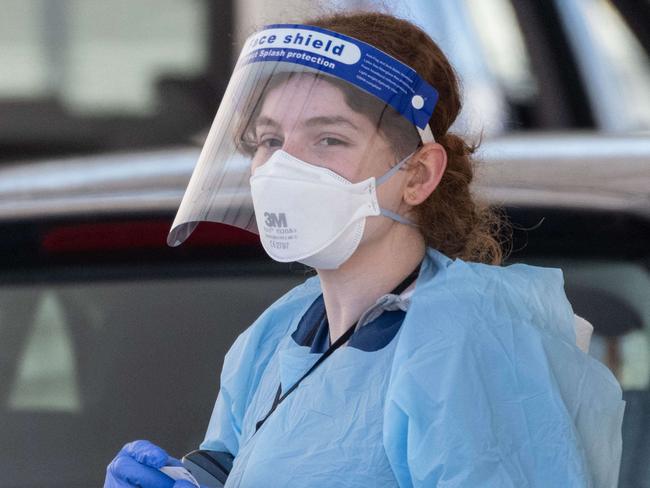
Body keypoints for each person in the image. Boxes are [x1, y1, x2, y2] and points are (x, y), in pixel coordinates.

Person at [105, 11, 625, 488]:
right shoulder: (279, 334)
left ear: (418, 175)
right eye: (269, 141)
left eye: (328, 139)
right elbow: (237, 465)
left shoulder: (464, 341)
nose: (285, 168)